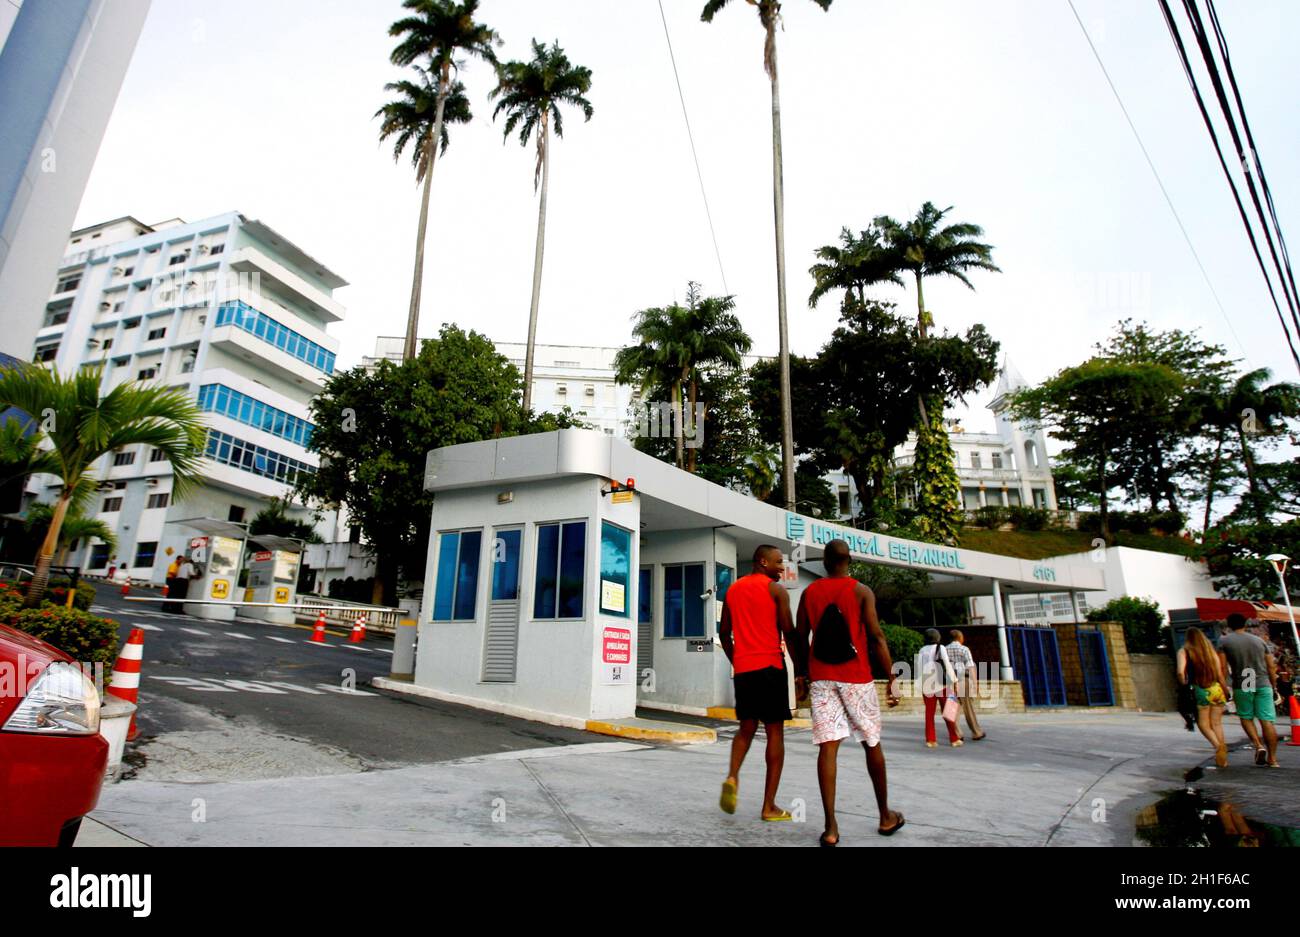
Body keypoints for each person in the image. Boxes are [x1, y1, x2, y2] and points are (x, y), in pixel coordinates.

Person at [795, 539, 904, 845]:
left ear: (824, 563)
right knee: (872, 742)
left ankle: (831, 829)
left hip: (821, 678)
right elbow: (876, 636)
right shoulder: (861, 591)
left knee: (828, 747)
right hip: (856, 677)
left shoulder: (809, 593)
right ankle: (885, 816)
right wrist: (893, 677)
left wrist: (801, 674)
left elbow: (800, 635)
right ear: (849, 560)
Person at [718, 544, 801, 822]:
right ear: (763, 561)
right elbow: (788, 633)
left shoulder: (733, 590)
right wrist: (801, 670)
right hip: (770, 668)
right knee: (775, 733)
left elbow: (723, 633)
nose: (782, 567)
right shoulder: (775, 591)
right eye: (778, 562)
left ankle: (732, 776)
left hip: (745, 671)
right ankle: (769, 806)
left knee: (746, 729)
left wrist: (737, 660)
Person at [1218, 613, 1280, 768]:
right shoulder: (1259, 641)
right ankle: (1273, 759)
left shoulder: (1224, 641)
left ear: (1229, 625)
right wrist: (1274, 686)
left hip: (1245, 680)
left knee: (1246, 716)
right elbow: (1271, 665)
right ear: (1245, 624)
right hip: (1263, 681)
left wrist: (1224, 685)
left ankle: (1258, 745)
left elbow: (1223, 667)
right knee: (1266, 720)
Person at [1176, 626, 1230, 767]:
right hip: (1216, 689)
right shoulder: (1210, 652)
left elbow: (1181, 672)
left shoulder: (1184, 651)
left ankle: (1218, 747)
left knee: (1203, 724)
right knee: (1217, 723)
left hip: (1201, 690)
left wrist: (1184, 684)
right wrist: (1225, 690)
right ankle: (1222, 756)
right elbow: (1219, 674)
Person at [915, 629, 961, 748]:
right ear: (938, 637)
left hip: (927, 686)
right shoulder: (941, 648)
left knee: (929, 714)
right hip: (942, 685)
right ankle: (954, 739)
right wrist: (955, 681)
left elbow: (919, 669)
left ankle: (931, 739)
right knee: (948, 712)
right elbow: (947, 664)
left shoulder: (921, 650)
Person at [946, 629, 986, 741]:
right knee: (968, 707)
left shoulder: (945, 649)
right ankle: (976, 732)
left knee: (952, 707)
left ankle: (956, 734)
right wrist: (975, 683)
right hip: (963, 679)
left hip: (950, 680)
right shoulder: (964, 649)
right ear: (960, 638)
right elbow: (970, 666)